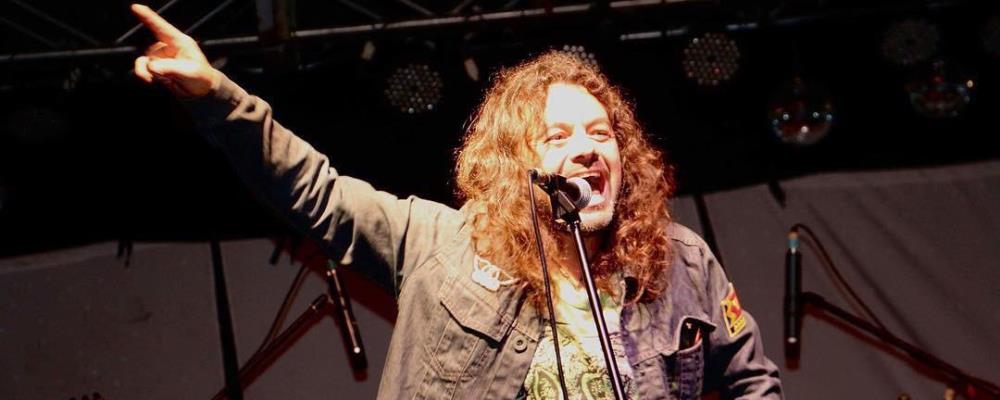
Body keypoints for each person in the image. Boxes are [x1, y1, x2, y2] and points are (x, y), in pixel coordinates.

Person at [130, 4, 782, 399]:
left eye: (600, 133)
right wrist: (216, 95)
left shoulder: (679, 263)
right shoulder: (440, 245)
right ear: (517, 166)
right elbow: (313, 191)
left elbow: (753, 381)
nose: (587, 149)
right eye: (558, 137)